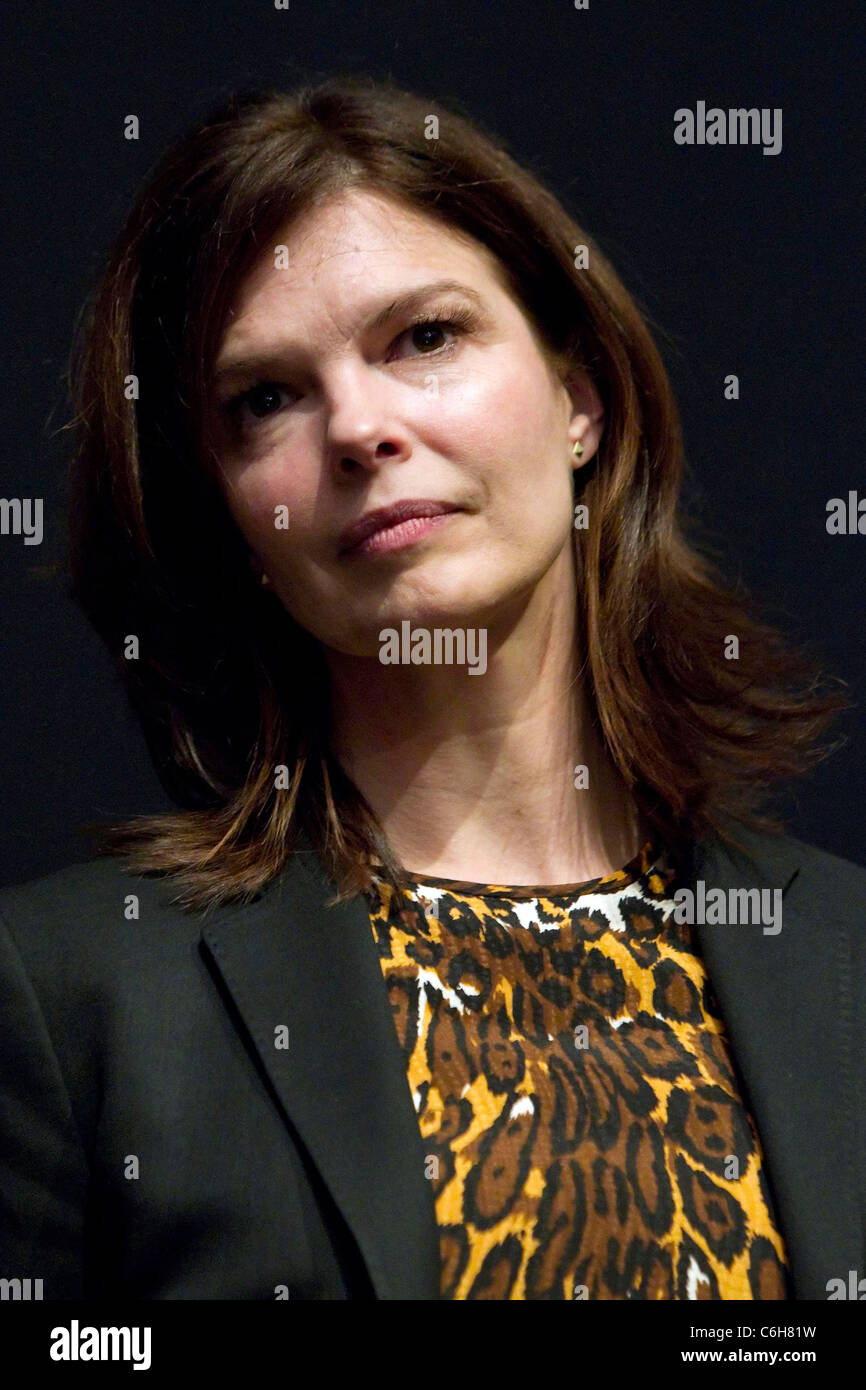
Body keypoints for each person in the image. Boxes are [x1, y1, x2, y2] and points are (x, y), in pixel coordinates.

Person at [1, 75, 864, 1302]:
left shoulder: (845, 959)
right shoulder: (74, 995)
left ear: (581, 400)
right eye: (266, 399)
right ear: (238, 517)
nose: (358, 428)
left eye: (423, 337)